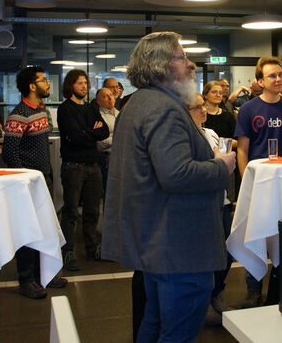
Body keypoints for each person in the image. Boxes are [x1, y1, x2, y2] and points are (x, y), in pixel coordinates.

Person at [101, 31, 235, 342]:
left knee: (154, 323)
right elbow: (177, 174)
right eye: (182, 57)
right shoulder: (164, 108)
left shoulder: (140, 103)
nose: (190, 65)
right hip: (180, 247)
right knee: (177, 332)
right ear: (160, 65)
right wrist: (222, 166)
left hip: (157, 243)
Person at [234, 56, 282, 307]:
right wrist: (246, 181)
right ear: (260, 81)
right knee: (256, 235)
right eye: (272, 76)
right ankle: (253, 290)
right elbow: (242, 150)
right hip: (259, 183)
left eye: (280, 75)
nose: (278, 79)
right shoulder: (248, 109)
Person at [2, 66, 67, 299]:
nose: (48, 84)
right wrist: (25, 178)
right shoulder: (19, 114)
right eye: (43, 80)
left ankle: (44, 275)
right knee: (28, 231)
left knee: (43, 228)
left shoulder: (40, 110)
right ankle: (26, 279)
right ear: (32, 86)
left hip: (42, 179)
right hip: (27, 182)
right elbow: (9, 152)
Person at [188, 92, 234, 326]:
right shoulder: (186, 137)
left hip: (222, 200)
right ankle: (203, 301)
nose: (204, 110)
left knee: (227, 251)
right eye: (197, 107)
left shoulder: (212, 133)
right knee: (206, 254)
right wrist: (219, 163)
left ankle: (216, 293)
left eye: (203, 106)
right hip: (204, 204)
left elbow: (222, 165)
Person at [57, 69, 109, 271]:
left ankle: (92, 248)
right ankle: (67, 250)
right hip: (73, 167)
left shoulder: (90, 108)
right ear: (70, 85)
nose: (83, 87)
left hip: (93, 166)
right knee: (70, 211)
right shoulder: (65, 109)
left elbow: (103, 131)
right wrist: (91, 132)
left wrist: (86, 132)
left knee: (92, 211)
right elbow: (74, 136)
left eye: (85, 83)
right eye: (79, 83)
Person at [95, 87, 118, 193]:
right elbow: (100, 143)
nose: (110, 98)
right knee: (110, 192)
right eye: (105, 96)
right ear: (98, 101)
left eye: (111, 95)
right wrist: (118, 138)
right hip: (107, 159)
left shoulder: (119, 113)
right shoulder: (98, 117)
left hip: (121, 158)